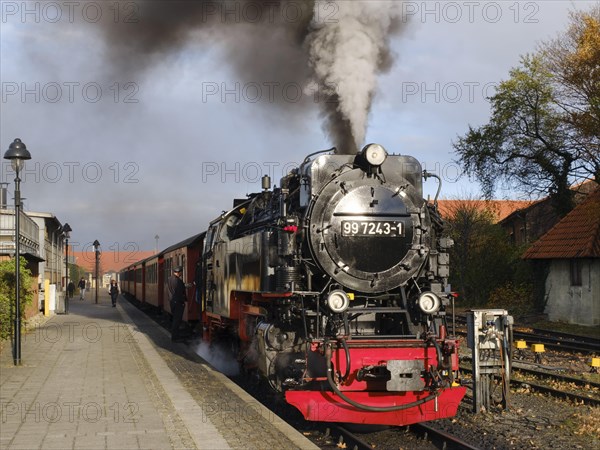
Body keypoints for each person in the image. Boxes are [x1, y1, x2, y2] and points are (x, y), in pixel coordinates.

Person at [167, 266, 187, 342]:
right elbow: (179, 293)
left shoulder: (169, 279)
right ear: (179, 272)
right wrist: (183, 301)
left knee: (175, 319)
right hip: (178, 302)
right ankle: (175, 337)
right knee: (177, 320)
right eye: (181, 272)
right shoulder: (178, 281)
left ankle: (175, 336)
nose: (181, 274)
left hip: (172, 302)